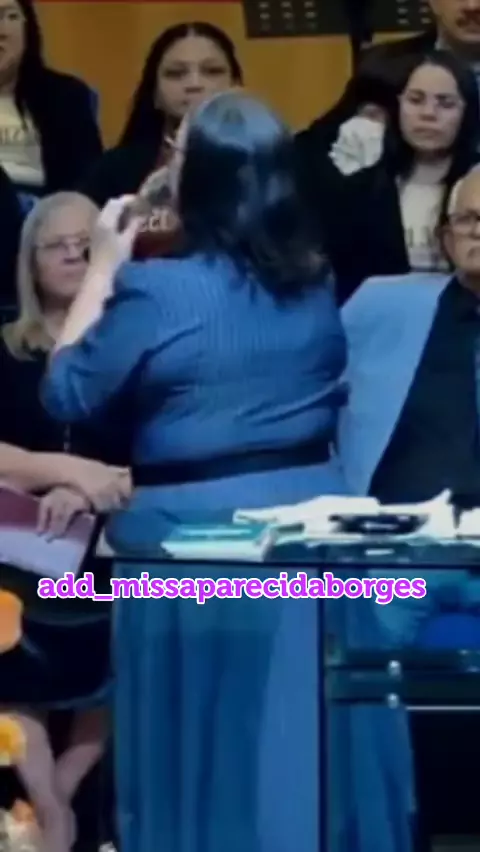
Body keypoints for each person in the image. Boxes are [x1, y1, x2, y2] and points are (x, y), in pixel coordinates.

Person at [42, 91, 414, 852]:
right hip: (312, 530)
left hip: (200, 542)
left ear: (200, 176)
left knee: (215, 750)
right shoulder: (312, 277)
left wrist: (105, 266)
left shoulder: (159, 287)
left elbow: (66, 391)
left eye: (179, 152)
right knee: (302, 743)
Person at [0, 191, 131, 852]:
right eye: (59, 244)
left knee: (128, 628)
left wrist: (91, 492)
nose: (75, 254)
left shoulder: (130, 345)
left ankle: (63, 796)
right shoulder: (5, 349)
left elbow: (158, 459)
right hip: (13, 543)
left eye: (88, 243)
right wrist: (63, 471)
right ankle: (46, 802)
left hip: (109, 542)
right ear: (31, 260)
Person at [338, 162, 480, 642]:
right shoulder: (381, 305)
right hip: (402, 545)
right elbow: (312, 399)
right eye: (467, 219)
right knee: (363, 656)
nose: (477, 231)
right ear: (446, 237)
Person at [320, 50, 480, 303]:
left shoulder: (475, 184)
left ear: (467, 112)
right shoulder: (358, 190)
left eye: (446, 103)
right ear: (397, 107)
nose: (428, 113)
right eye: (415, 100)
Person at [78, 22, 242, 208]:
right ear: (155, 94)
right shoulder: (114, 170)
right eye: (175, 73)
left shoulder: (264, 163)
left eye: (212, 71)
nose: (194, 84)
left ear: (235, 86)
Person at [0, 0, 102, 202]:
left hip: (43, 208)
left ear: (29, 29)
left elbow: (89, 179)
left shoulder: (65, 95)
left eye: (10, 16)